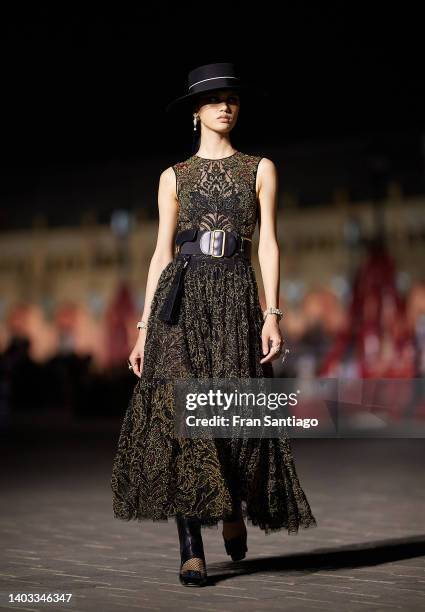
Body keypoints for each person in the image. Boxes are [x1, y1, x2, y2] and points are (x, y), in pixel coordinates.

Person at [110, 62, 317, 587]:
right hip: (180, 302)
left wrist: (272, 314)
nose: (226, 106)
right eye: (214, 99)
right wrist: (143, 328)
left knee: (233, 418)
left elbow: (267, 242)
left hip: (236, 299)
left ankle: (228, 506)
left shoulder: (260, 168)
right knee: (184, 418)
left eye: (233, 98)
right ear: (196, 112)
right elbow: (159, 254)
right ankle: (190, 549)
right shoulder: (173, 177)